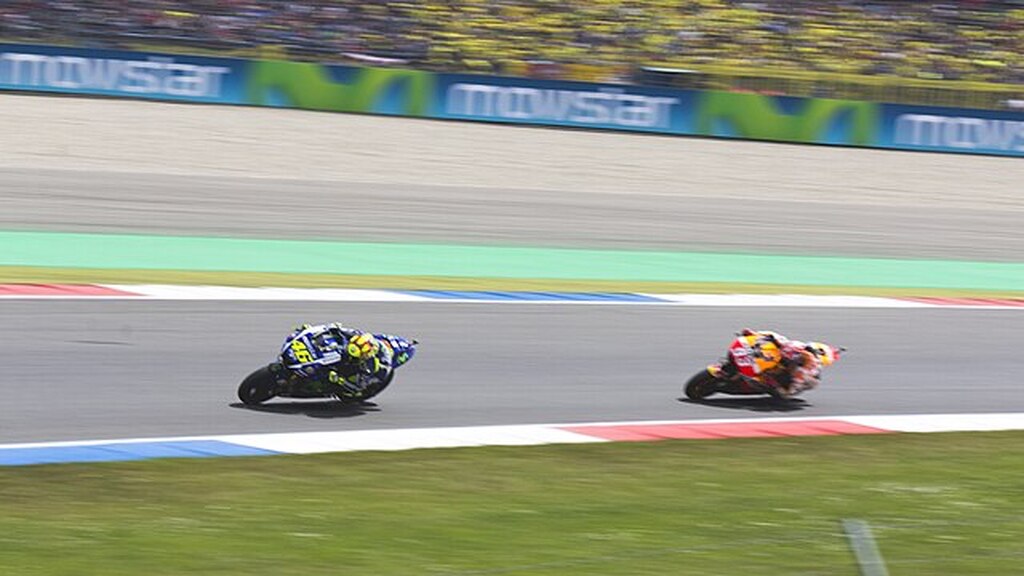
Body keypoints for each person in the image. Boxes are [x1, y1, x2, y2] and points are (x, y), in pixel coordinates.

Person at [289, 323, 393, 400]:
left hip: (349, 375)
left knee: (333, 380)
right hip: (344, 355)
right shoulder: (355, 335)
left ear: (363, 356)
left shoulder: (369, 366)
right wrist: (315, 330)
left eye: (354, 356)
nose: (350, 356)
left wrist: (340, 380)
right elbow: (337, 329)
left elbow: (359, 386)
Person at [738, 328, 823, 399]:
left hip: (801, 377)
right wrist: (753, 334)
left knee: (783, 392)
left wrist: (785, 389)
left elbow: (792, 387)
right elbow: (771, 335)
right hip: (797, 359)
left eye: (787, 359)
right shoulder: (786, 344)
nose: (785, 359)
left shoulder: (804, 370)